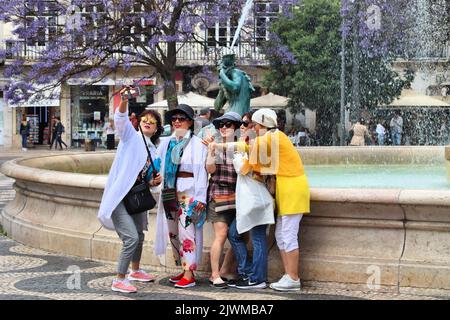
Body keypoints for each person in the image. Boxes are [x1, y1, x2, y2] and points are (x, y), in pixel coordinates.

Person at [98, 88, 163, 294]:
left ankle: (135, 270)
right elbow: (120, 119)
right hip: (120, 197)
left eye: (152, 122)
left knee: (140, 236)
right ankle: (119, 279)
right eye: (145, 119)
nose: (147, 122)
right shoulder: (130, 137)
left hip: (136, 198)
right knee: (131, 238)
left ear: (156, 129)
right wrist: (124, 100)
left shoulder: (153, 149)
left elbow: (146, 177)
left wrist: (153, 181)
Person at [240, 109, 310, 291]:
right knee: (281, 235)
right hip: (287, 191)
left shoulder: (273, 136)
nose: (253, 129)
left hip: (292, 191)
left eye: (254, 125)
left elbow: (247, 147)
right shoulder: (273, 137)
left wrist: (219, 146)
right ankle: (289, 275)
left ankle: (293, 278)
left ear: (263, 124)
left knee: (288, 235)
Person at [154, 104, 209, 289]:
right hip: (170, 192)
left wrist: (201, 197)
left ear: (190, 122)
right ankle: (183, 267)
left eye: (182, 118)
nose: (177, 121)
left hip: (189, 193)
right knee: (173, 232)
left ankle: (189, 272)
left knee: (187, 233)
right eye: (174, 119)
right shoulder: (167, 143)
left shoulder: (197, 144)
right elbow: (159, 164)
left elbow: (201, 172)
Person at [205, 112, 242, 289]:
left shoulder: (241, 146)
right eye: (221, 125)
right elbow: (210, 169)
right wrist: (211, 151)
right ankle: (214, 274)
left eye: (228, 124)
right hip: (218, 193)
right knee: (221, 234)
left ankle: (226, 269)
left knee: (241, 235)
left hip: (237, 196)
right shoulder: (215, 146)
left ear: (235, 127)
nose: (224, 127)